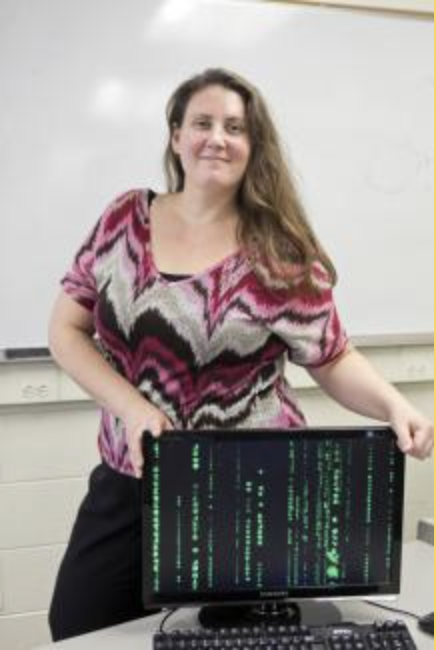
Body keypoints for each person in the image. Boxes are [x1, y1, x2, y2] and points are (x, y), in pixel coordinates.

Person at [47, 68, 433, 640]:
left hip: (246, 492)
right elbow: (66, 331)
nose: (217, 138)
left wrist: (394, 406)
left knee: (232, 641)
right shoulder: (124, 219)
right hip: (132, 479)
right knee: (79, 626)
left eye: (235, 127)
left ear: (254, 146)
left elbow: (330, 356)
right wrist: (131, 408)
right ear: (176, 135)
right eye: (202, 123)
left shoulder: (278, 250)